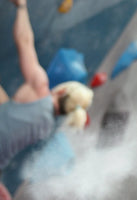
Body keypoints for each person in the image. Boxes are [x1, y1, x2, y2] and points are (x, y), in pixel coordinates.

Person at [0, 0, 93, 176]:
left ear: (63, 90)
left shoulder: (40, 88)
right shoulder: (46, 127)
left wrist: (21, 7)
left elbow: (24, 41)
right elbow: (9, 116)